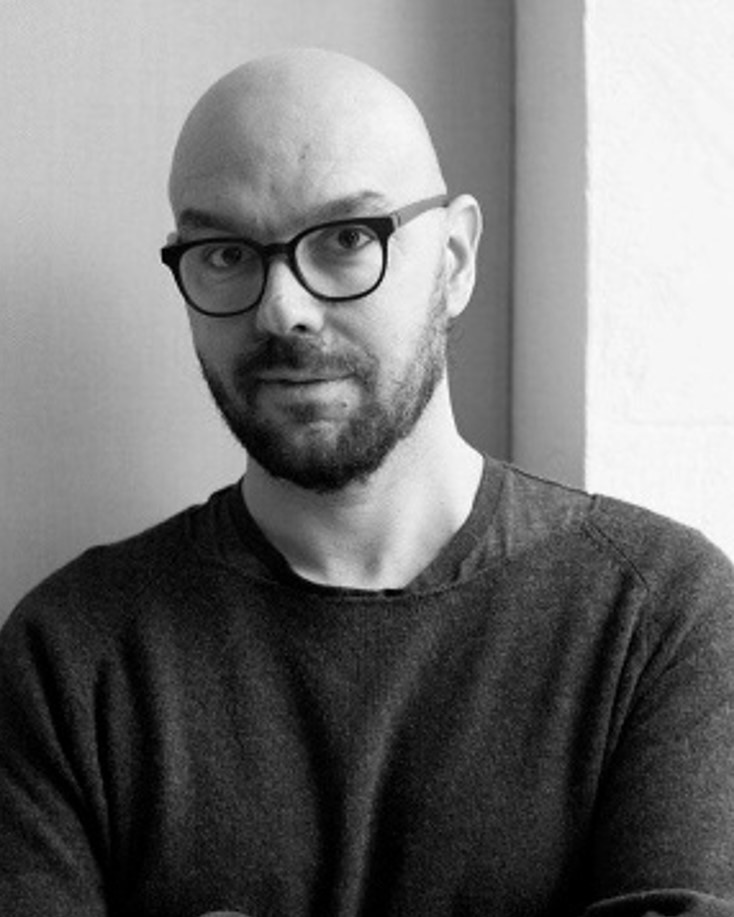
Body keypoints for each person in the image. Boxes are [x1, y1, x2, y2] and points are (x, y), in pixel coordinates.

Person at [1, 48, 734, 917]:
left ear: (454, 258)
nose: (282, 309)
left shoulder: (657, 614)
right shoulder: (70, 654)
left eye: (348, 239)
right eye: (226, 252)